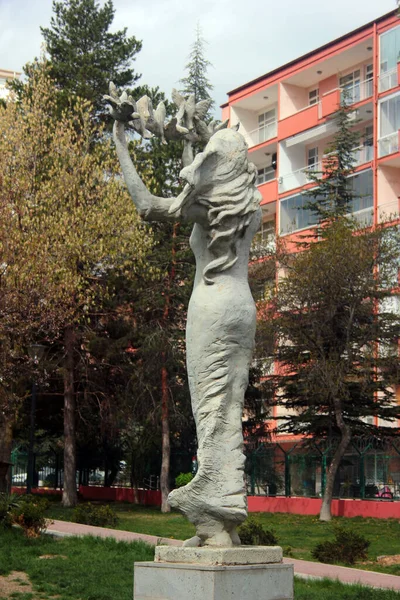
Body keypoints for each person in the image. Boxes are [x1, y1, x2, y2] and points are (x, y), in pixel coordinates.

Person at [107, 90, 262, 546]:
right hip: (242, 308)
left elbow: (147, 205)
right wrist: (191, 146)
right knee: (226, 410)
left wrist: (120, 143)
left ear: (217, 168)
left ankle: (215, 510)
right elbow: (201, 180)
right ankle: (219, 522)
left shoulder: (203, 207)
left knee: (210, 410)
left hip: (211, 309)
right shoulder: (247, 208)